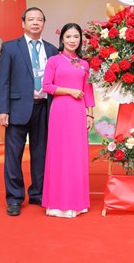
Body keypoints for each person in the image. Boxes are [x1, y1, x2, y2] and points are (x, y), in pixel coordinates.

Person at [0, 7, 58, 216]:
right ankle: (14, 198)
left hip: (43, 108)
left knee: (41, 154)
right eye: (31, 19)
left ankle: (38, 193)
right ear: (23, 23)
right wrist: (2, 110)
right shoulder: (10, 48)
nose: (35, 22)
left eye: (39, 19)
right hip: (17, 109)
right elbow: (3, 81)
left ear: (44, 24)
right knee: (13, 156)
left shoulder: (51, 50)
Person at [41, 23, 95, 218]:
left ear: (80, 40)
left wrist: (90, 114)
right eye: (68, 36)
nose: (72, 40)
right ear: (62, 39)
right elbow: (47, 86)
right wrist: (70, 91)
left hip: (78, 111)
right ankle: (57, 204)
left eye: (76, 37)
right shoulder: (54, 60)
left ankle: (77, 203)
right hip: (60, 110)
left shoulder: (84, 64)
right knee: (59, 154)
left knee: (76, 155)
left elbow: (88, 90)